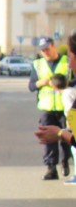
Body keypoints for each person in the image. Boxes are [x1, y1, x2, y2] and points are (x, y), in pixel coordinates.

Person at [30, 38, 70, 180]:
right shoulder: (38, 64)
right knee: (48, 139)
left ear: (54, 47)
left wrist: (61, 83)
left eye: (47, 48)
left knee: (66, 137)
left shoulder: (67, 61)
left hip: (66, 107)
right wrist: (42, 82)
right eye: (42, 50)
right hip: (47, 108)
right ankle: (51, 168)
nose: (45, 52)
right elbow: (31, 86)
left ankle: (65, 161)